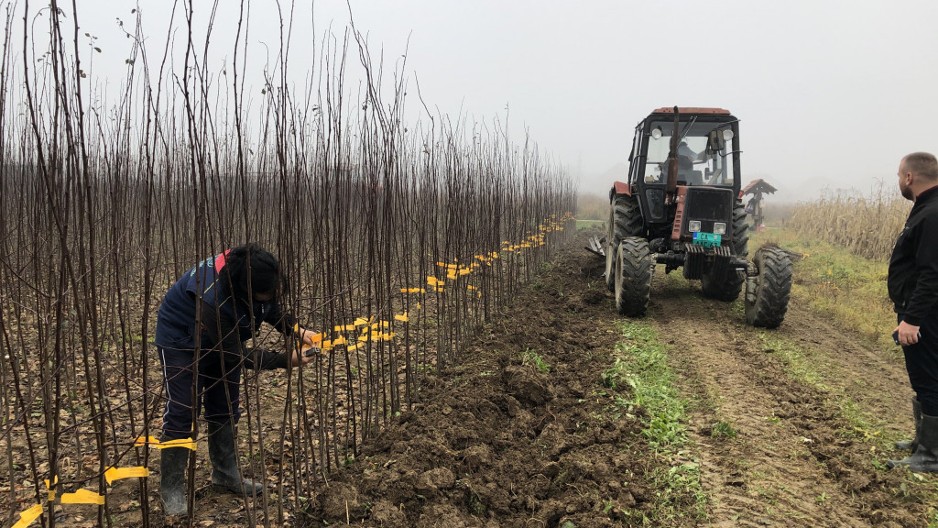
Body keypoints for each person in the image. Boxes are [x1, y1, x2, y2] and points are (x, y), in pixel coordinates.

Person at [154, 243, 317, 515]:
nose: (267, 299)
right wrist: (286, 360)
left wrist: (297, 329)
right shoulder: (212, 297)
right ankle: (171, 487)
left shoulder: (253, 272)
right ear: (243, 291)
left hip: (222, 336)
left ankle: (225, 474)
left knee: (225, 404)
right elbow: (234, 355)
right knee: (183, 410)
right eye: (261, 296)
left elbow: (270, 307)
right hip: (181, 341)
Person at [887, 152, 938, 472]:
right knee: (924, 376)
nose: (899, 181)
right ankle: (923, 442)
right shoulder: (927, 209)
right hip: (922, 310)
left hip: (925, 314)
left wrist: (913, 319)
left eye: (898, 175)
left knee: (928, 377)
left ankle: (931, 455)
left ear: (909, 178)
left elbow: (932, 273)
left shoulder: (932, 214)